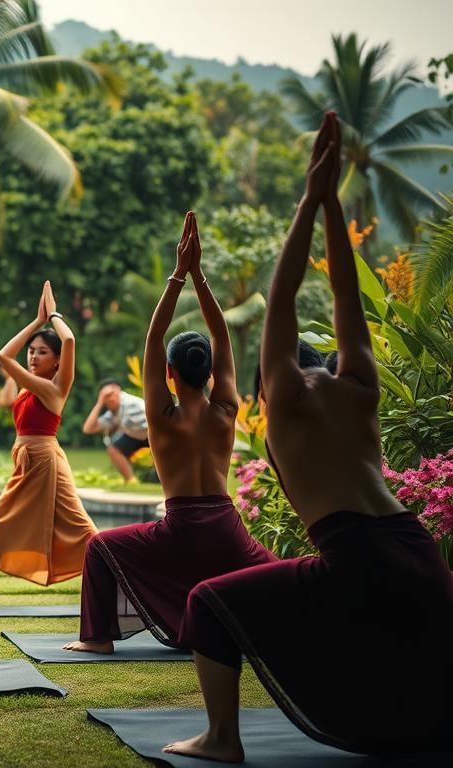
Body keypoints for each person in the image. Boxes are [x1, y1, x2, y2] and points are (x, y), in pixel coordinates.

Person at [166, 113, 453, 761]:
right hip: (420, 553)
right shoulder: (359, 392)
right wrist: (330, 207)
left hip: (358, 558)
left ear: (272, 384)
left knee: (209, 602)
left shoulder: (287, 403)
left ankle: (220, 739)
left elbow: (282, 294)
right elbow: (347, 301)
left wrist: (310, 200)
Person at [63, 212, 275, 656]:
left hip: (179, 531)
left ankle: (97, 639)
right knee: (287, 580)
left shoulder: (161, 415)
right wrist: (200, 277)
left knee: (101, 546)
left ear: (168, 373)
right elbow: (222, 333)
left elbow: (155, 335)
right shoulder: (225, 410)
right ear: (211, 372)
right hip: (225, 530)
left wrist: (179, 274)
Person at [0, 282, 97, 606]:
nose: (33, 355)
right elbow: (8, 356)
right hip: (27, 462)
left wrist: (51, 315)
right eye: (32, 350)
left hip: (45, 461)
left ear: (58, 361)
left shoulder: (53, 388)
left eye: (42, 351)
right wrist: (35, 322)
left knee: (81, 529)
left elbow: (55, 343)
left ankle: (124, 583)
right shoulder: (26, 388)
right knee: (0, 521)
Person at [82, 379, 149, 483]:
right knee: (113, 449)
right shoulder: (114, 412)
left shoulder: (131, 404)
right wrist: (100, 403)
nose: (109, 399)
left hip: (153, 433)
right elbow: (88, 429)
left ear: (119, 392)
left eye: (111, 394)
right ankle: (131, 481)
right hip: (135, 436)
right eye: (105, 397)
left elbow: (155, 421)